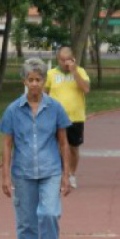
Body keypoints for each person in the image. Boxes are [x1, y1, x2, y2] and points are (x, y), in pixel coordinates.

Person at [0, 58, 72, 239]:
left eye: (38, 79)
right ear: (24, 81)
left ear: (44, 81)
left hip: (50, 169)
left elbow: (63, 142)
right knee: (26, 220)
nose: (34, 84)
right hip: (22, 172)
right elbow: (7, 144)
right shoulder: (13, 110)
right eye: (30, 79)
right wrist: (5, 175)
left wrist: (66, 175)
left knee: (49, 213)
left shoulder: (55, 108)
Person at [45, 46, 90, 189]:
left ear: (73, 59)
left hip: (75, 117)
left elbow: (86, 89)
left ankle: (71, 173)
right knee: (56, 147)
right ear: (58, 59)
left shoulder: (80, 72)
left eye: (68, 60)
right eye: (62, 60)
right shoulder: (51, 74)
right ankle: (59, 174)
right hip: (55, 118)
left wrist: (74, 71)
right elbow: (44, 93)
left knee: (73, 148)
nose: (65, 63)